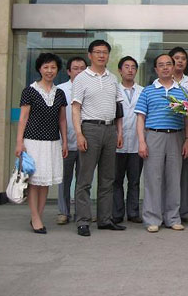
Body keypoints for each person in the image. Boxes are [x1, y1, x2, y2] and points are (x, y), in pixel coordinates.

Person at [72, 39, 125, 237]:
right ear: (90, 55)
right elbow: (75, 108)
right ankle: (83, 221)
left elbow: (118, 109)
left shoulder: (113, 78)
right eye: (98, 52)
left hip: (110, 130)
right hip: (90, 129)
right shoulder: (81, 78)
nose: (101, 55)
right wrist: (79, 134)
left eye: (105, 52)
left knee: (108, 178)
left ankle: (105, 219)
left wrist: (119, 132)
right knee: (85, 179)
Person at [135, 54, 188, 233]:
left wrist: (187, 140)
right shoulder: (148, 91)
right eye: (161, 65)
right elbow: (140, 118)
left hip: (176, 137)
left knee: (174, 179)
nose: (165, 67)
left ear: (174, 67)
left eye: (168, 64)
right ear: (156, 69)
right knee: (153, 178)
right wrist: (142, 142)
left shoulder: (182, 91)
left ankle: (173, 218)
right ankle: (152, 218)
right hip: (154, 136)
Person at [16, 53, 68, 233]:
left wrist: (65, 142)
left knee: (45, 182)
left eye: (53, 67)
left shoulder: (60, 93)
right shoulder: (29, 91)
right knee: (34, 182)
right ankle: (35, 217)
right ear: (39, 69)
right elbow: (23, 118)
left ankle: (38, 216)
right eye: (46, 67)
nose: (49, 71)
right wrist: (19, 142)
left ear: (57, 70)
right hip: (32, 142)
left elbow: (62, 120)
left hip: (52, 142)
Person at [168, 46, 188, 224]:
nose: (179, 61)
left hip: (187, 133)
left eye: (183, 58)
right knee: (167, 174)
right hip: (167, 132)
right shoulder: (160, 81)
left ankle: (185, 210)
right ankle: (167, 210)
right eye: (176, 58)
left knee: (184, 173)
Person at [113, 56, 144, 224]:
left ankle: (133, 212)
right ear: (120, 70)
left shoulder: (143, 91)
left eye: (133, 67)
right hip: (117, 143)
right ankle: (117, 213)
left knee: (134, 180)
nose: (130, 70)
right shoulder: (113, 90)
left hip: (137, 143)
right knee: (116, 180)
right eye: (126, 67)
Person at [56, 56, 87, 225]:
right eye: (75, 68)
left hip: (85, 142)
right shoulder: (60, 90)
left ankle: (81, 213)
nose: (79, 71)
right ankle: (63, 212)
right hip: (65, 142)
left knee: (83, 181)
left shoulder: (89, 87)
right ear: (68, 71)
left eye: (82, 68)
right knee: (64, 180)